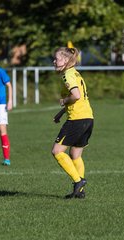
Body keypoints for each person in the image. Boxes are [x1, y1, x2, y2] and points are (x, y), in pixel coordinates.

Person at [52, 47, 94, 199]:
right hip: (88, 118)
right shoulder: (75, 72)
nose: (54, 61)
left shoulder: (67, 75)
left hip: (77, 119)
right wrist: (61, 112)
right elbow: (80, 97)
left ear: (65, 60)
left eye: (56, 58)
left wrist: (64, 101)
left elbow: (75, 96)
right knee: (75, 154)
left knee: (57, 151)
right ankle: (80, 192)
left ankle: (78, 181)